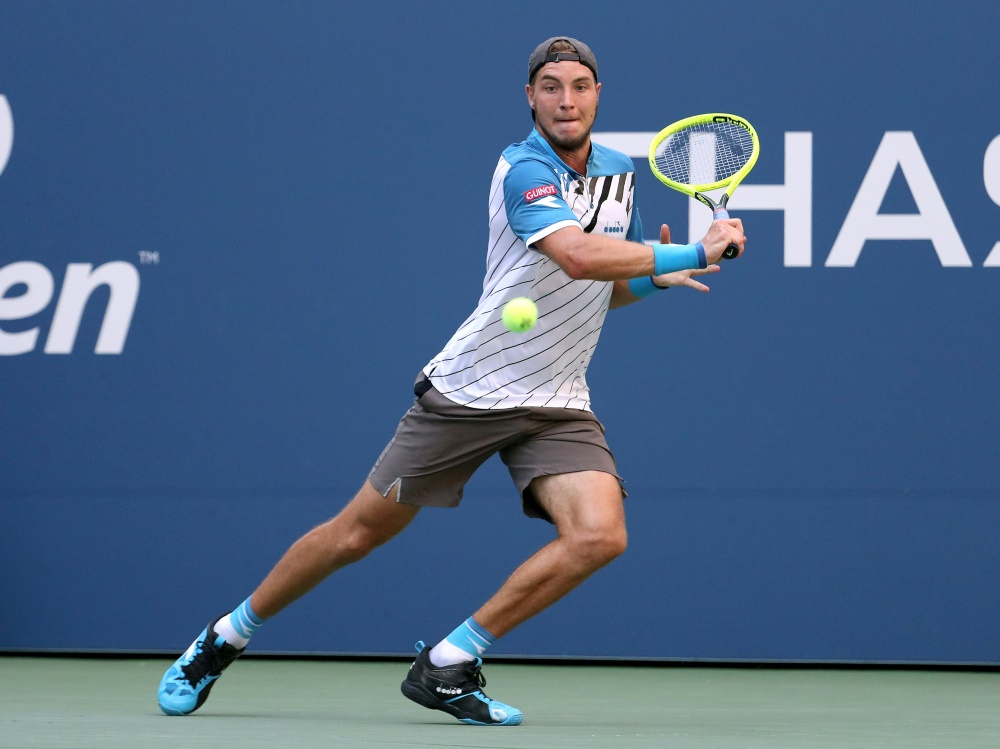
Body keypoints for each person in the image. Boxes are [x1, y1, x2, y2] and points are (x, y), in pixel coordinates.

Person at [157, 36, 745, 726]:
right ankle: (225, 636)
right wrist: (691, 249)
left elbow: (610, 283)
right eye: (551, 86)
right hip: (473, 390)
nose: (566, 100)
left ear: (598, 94)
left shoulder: (620, 171)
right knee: (355, 535)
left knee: (600, 535)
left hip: (558, 398)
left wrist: (660, 276)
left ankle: (448, 662)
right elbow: (579, 258)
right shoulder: (523, 168)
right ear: (530, 97)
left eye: (580, 85)